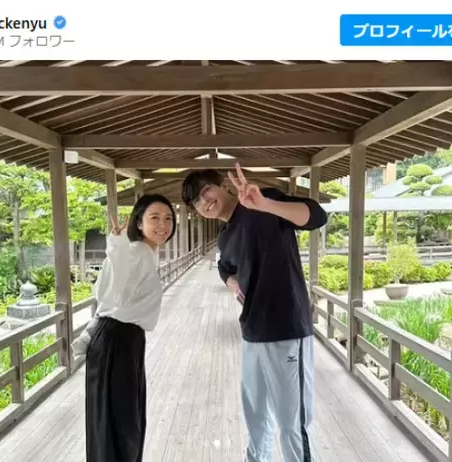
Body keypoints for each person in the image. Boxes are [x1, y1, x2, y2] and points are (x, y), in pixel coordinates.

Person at [182, 164, 327, 462]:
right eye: (196, 201)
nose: (204, 201)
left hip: (285, 327)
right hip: (252, 331)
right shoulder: (225, 236)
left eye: (206, 191)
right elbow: (225, 267)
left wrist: (265, 204)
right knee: (256, 416)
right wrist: (232, 282)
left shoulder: (264, 203)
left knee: (291, 421)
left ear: (223, 185)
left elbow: (316, 216)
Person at [71, 194, 176, 462]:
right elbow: (115, 293)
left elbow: (110, 296)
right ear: (139, 223)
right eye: (154, 218)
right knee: (120, 425)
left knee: (117, 423)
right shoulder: (135, 252)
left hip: (122, 340)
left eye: (168, 218)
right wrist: (116, 246)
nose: (163, 224)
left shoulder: (142, 252)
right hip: (116, 342)